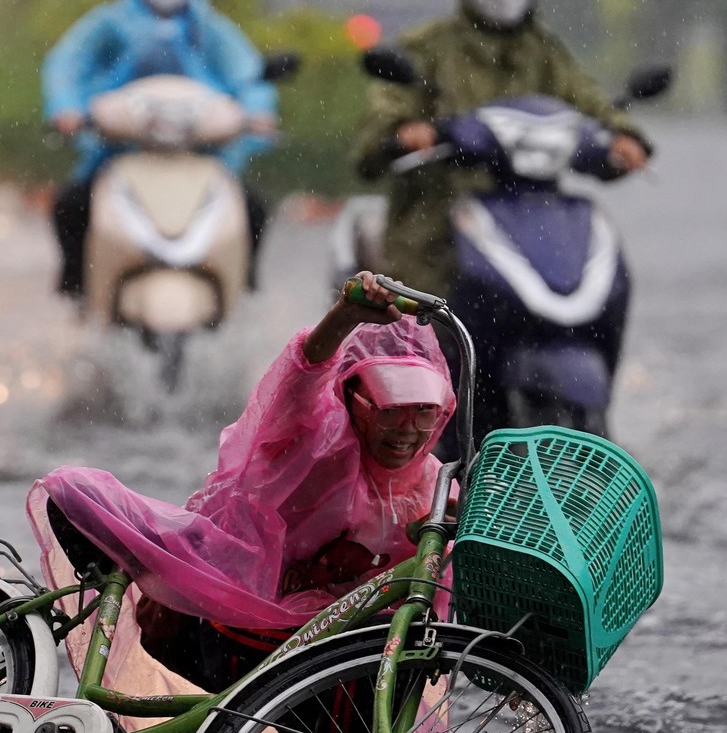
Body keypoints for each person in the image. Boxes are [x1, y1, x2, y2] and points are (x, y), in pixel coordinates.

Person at [29, 271, 452, 699]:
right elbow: (304, 373)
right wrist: (344, 316)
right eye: (390, 408)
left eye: (423, 411)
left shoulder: (433, 485)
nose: (407, 429)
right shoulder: (311, 436)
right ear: (351, 397)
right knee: (74, 493)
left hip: (318, 653)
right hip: (222, 624)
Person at [353, 0, 655, 296]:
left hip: (532, 221)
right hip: (437, 224)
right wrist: (404, 130)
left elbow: (589, 103)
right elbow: (385, 111)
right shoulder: (427, 47)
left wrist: (621, 136)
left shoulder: (545, 52)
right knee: (417, 317)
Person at [42, 0, 278, 297]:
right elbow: (67, 63)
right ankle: (77, 281)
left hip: (199, 149)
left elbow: (247, 73)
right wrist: (66, 107)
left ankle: (242, 278)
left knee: (253, 208)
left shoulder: (208, 28)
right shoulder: (110, 23)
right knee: (71, 206)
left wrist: (257, 111)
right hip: (121, 147)